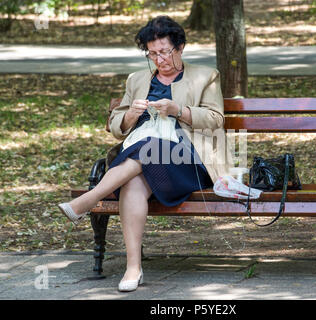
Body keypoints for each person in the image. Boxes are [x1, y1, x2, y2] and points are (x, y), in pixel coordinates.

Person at [58, 16, 231, 292]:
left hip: (187, 160)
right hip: (142, 158)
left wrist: (178, 111)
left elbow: (215, 119)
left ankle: (89, 199)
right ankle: (133, 268)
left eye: (164, 51)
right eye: (152, 53)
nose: (158, 59)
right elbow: (117, 124)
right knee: (135, 179)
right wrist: (129, 115)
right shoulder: (137, 79)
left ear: (181, 47)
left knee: (147, 148)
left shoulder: (205, 76)